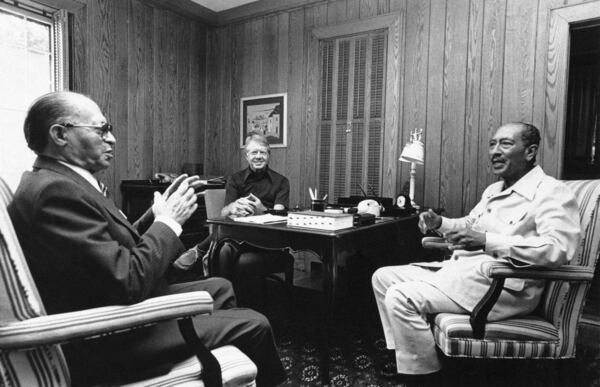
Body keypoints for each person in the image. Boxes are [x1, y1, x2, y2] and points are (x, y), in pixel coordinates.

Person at [8, 91, 286, 386]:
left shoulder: (60, 182)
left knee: (220, 286)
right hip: (111, 337)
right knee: (257, 324)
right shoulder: (55, 193)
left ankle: (214, 355)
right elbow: (128, 280)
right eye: (101, 129)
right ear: (60, 134)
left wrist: (155, 214)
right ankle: (214, 349)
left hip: (115, 309)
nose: (112, 139)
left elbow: (113, 247)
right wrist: (169, 222)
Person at [371, 122, 581, 383]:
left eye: (505, 143)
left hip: (503, 288)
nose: (495, 151)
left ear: (530, 151)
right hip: (466, 275)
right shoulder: (494, 190)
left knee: (400, 295)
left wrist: (487, 241)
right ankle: (402, 355)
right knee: (382, 277)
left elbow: (558, 249)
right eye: (492, 144)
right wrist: (440, 223)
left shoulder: (551, 191)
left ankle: (424, 377)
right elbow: (470, 225)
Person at [212, 134, 293, 284]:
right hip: (240, 236)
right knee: (223, 249)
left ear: (269, 155)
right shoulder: (235, 179)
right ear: (246, 156)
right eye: (254, 152)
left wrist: (263, 209)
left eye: (262, 152)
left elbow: (280, 216)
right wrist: (233, 207)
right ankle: (227, 298)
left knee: (224, 248)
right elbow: (223, 213)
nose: (258, 156)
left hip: (268, 240)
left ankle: (200, 251)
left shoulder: (281, 182)